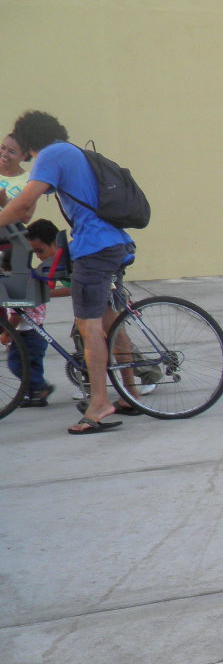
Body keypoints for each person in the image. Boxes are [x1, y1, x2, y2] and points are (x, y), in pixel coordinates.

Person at [0, 111, 136, 434]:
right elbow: (24, 204)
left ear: (31, 141)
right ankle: (130, 393)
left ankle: (100, 403)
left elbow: (23, 208)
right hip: (111, 242)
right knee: (107, 320)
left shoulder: (50, 154)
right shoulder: (70, 152)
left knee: (89, 329)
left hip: (94, 248)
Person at [1, 218, 63, 407]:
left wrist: (6, 333)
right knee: (34, 365)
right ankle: (36, 394)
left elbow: (16, 316)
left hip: (27, 334)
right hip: (38, 334)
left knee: (17, 365)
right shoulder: (32, 280)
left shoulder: (18, 289)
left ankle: (39, 388)